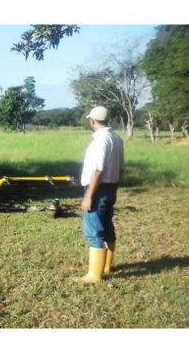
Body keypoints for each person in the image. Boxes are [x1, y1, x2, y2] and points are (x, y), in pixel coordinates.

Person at [74, 106, 125, 284]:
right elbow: (121, 169)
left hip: (98, 189)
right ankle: (106, 266)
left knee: (93, 230)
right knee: (107, 228)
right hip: (111, 188)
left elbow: (97, 170)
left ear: (92, 121)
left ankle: (94, 275)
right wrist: (115, 190)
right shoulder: (117, 139)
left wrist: (89, 195)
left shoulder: (100, 141)